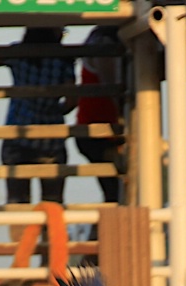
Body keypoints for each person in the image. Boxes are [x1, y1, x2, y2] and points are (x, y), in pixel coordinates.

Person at [0, 27, 76, 207]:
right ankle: (50, 234)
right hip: (51, 140)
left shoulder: (19, 53)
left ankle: (21, 235)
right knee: (53, 204)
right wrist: (55, 110)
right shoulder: (64, 59)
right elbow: (72, 100)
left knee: (17, 203)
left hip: (17, 134)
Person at [75, 25, 124, 204]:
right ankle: (105, 230)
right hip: (100, 128)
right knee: (116, 192)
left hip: (97, 126)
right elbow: (109, 83)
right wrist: (122, 119)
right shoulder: (104, 41)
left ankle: (102, 230)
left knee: (114, 191)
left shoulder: (99, 38)